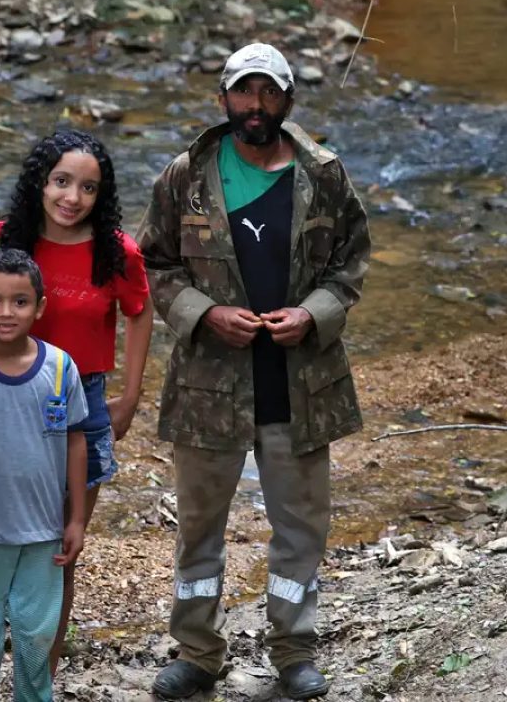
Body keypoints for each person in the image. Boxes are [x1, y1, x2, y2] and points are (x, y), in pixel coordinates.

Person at [136, 42, 370, 700]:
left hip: (300, 382)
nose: (256, 106)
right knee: (199, 525)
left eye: (269, 93)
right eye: (244, 92)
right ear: (224, 99)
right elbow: (154, 264)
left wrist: (314, 312)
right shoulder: (187, 175)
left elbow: (350, 263)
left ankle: (294, 653)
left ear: (288, 100)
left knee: (300, 525)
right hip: (210, 382)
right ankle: (198, 653)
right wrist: (204, 313)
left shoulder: (323, 173)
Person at [0, 129, 152, 697]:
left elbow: (140, 312)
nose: (72, 197)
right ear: (39, 182)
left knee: (58, 551)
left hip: (80, 398)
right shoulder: (1, 239)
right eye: (61, 182)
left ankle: (39, 682)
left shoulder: (115, 250)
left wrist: (130, 393)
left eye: (88, 187)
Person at [0, 247, 88, 702]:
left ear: (40, 306)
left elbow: (76, 442)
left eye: (19, 301)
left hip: (43, 532)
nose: (5, 312)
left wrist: (77, 519)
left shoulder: (61, 367)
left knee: (35, 636)